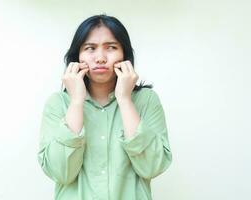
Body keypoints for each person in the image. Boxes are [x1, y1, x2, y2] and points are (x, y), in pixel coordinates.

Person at [38, 14, 172, 200]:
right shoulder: (58, 103)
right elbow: (61, 173)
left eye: (111, 47)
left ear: (124, 55)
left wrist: (124, 100)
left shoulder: (146, 100)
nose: (100, 58)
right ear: (77, 56)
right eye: (90, 48)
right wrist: (76, 101)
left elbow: (152, 167)